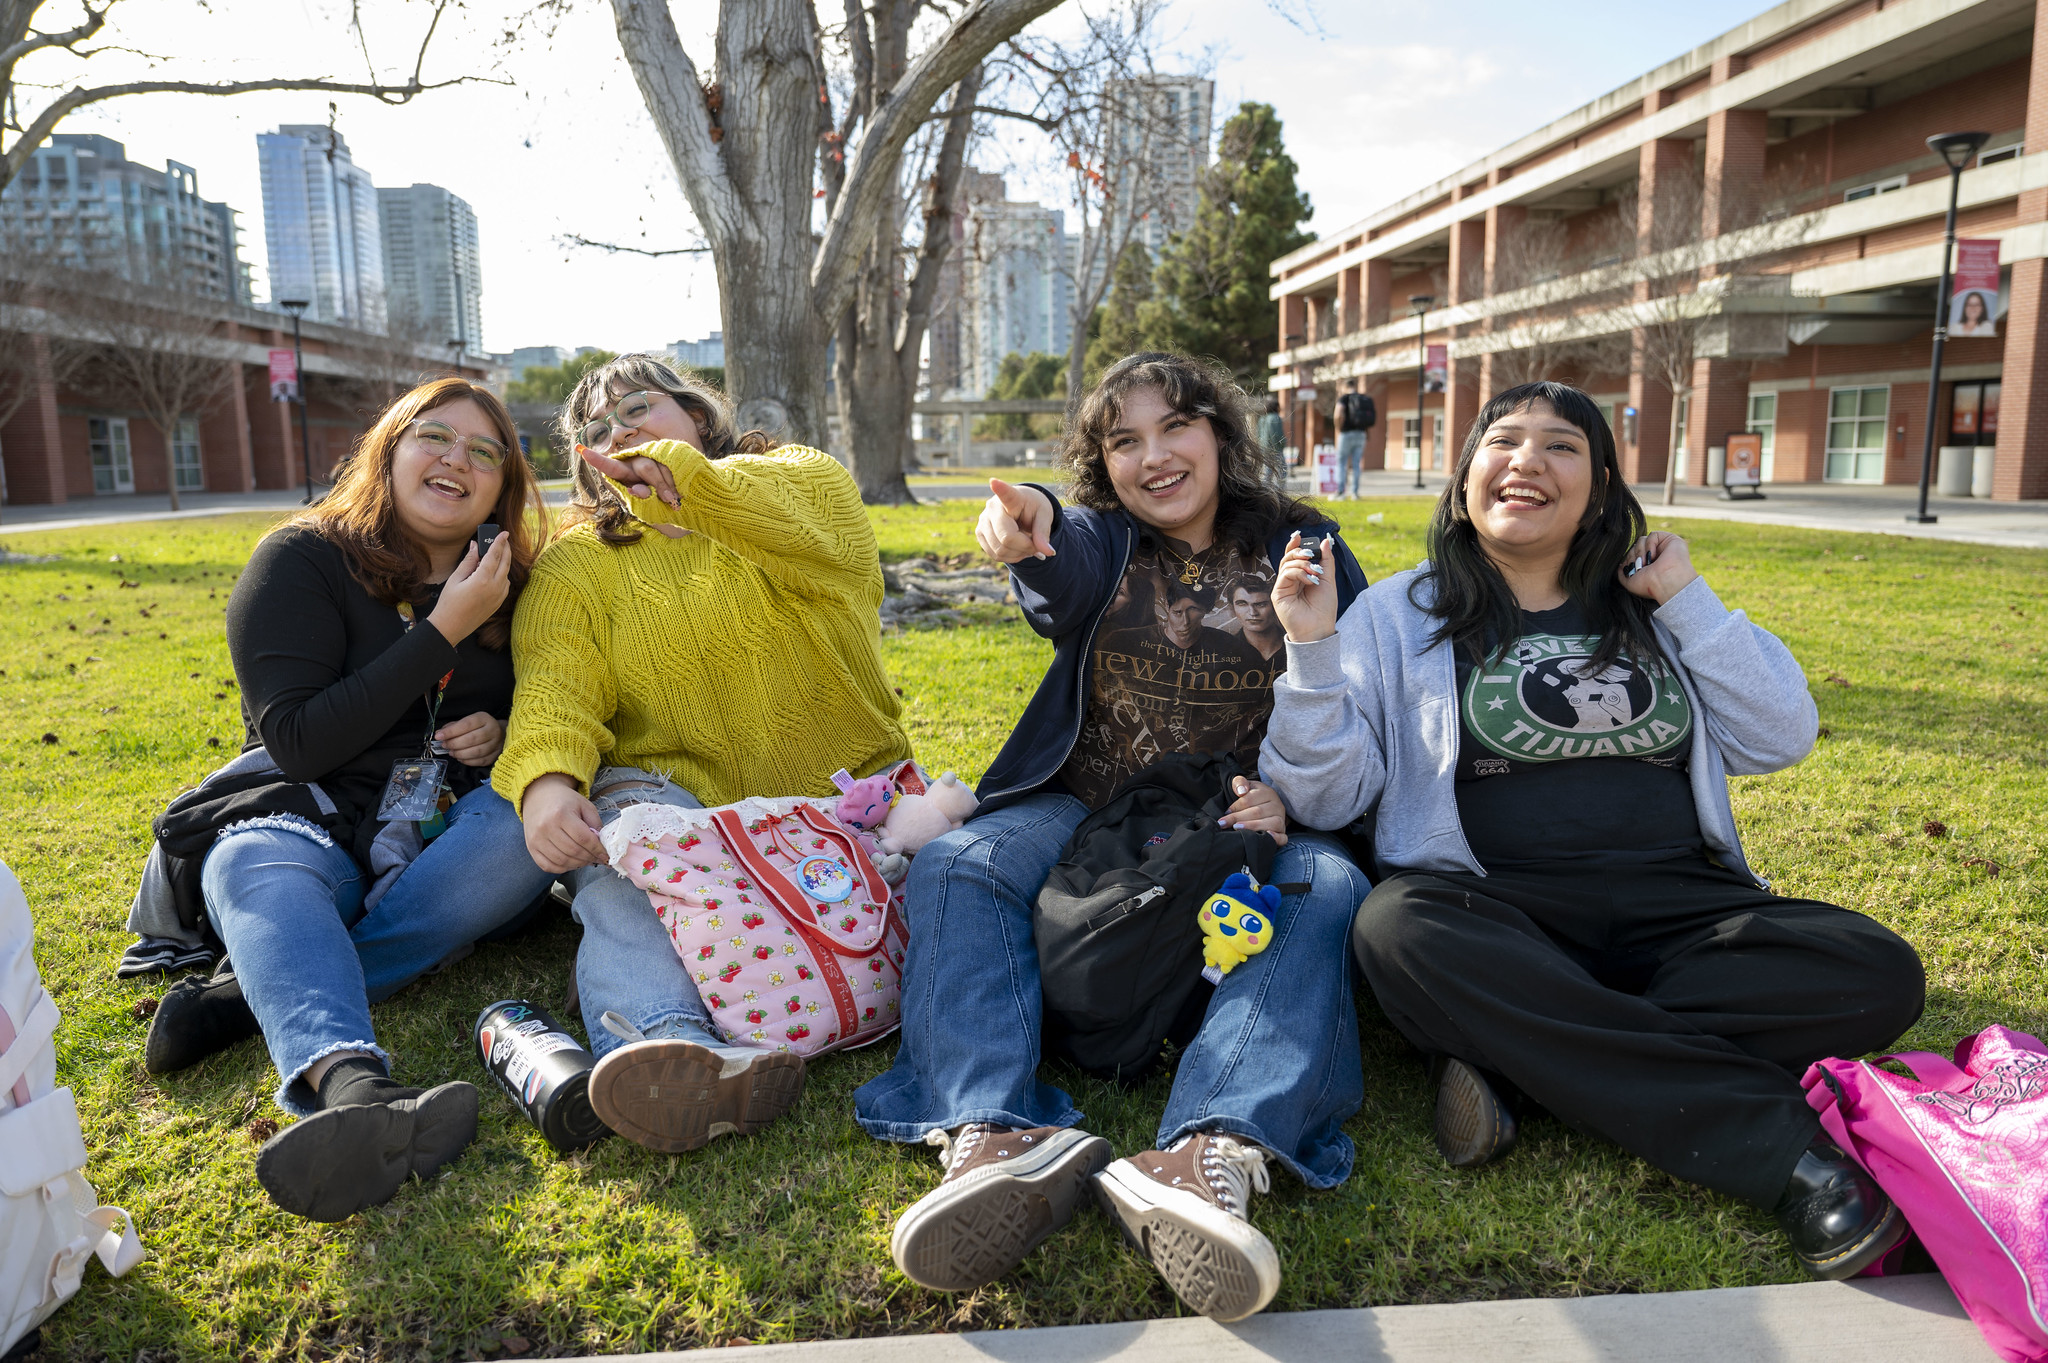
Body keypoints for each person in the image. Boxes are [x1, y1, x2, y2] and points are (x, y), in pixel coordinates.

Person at [1260, 380, 1925, 1281]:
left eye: (1562, 446)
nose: (1528, 459)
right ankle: (1785, 1155)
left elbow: (1781, 735)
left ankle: (1525, 1070)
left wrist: (1685, 595)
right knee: (1395, 926)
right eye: (1504, 441)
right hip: (1495, 914)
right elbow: (1329, 798)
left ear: (1603, 487)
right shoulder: (1396, 615)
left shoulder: (1649, 604)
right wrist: (1311, 650)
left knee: (1876, 970)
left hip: (1683, 911)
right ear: (1465, 484)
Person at [855, 353, 1373, 1324]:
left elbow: (1354, 689)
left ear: (1217, 433)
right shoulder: (1104, 539)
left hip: (1246, 814)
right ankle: (989, 1127)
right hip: (1087, 805)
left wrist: (1288, 802)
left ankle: (1208, 1148)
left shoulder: (1303, 542)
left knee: (1325, 887)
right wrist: (1030, 520)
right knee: (961, 863)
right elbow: (1061, 553)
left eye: (1174, 426)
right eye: (1122, 440)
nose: (1153, 455)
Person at [144, 376, 556, 1223]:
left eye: (486, 451)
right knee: (252, 859)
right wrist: (443, 627)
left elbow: (567, 704)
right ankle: (351, 1082)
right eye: (434, 437)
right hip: (313, 815)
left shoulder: (524, 582)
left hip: (445, 835)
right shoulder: (302, 558)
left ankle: (246, 993)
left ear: (506, 483)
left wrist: (509, 728)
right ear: (391, 446)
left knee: (534, 822)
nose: (457, 460)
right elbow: (296, 741)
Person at [495, 353, 911, 1155]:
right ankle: (666, 1049)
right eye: (597, 429)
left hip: (846, 810)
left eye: (639, 407)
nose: (620, 431)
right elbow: (555, 681)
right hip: (684, 811)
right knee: (617, 842)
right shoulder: (579, 563)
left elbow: (797, 518)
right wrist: (548, 779)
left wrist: (686, 483)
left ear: (698, 414)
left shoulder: (800, 482)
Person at [1229, 573, 1285, 661]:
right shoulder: (1225, 650)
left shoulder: (1295, 641)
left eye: (1261, 604)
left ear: (1275, 606)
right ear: (1233, 609)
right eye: (1242, 604)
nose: (1253, 613)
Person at [1335, 384, 1376, 498]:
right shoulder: (1363, 399)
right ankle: (1355, 493)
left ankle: (1341, 492)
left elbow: (1338, 414)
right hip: (1361, 434)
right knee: (1356, 464)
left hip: (1347, 433)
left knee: (1342, 462)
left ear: (1345, 386)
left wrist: (1339, 428)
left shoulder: (1344, 398)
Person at [1256, 393, 1286, 461]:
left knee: (1267, 468)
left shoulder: (1262, 418)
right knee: (1281, 468)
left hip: (1263, 446)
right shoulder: (1275, 418)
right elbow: (1277, 434)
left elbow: (1258, 433)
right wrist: (1282, 444)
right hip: (1275, 447)